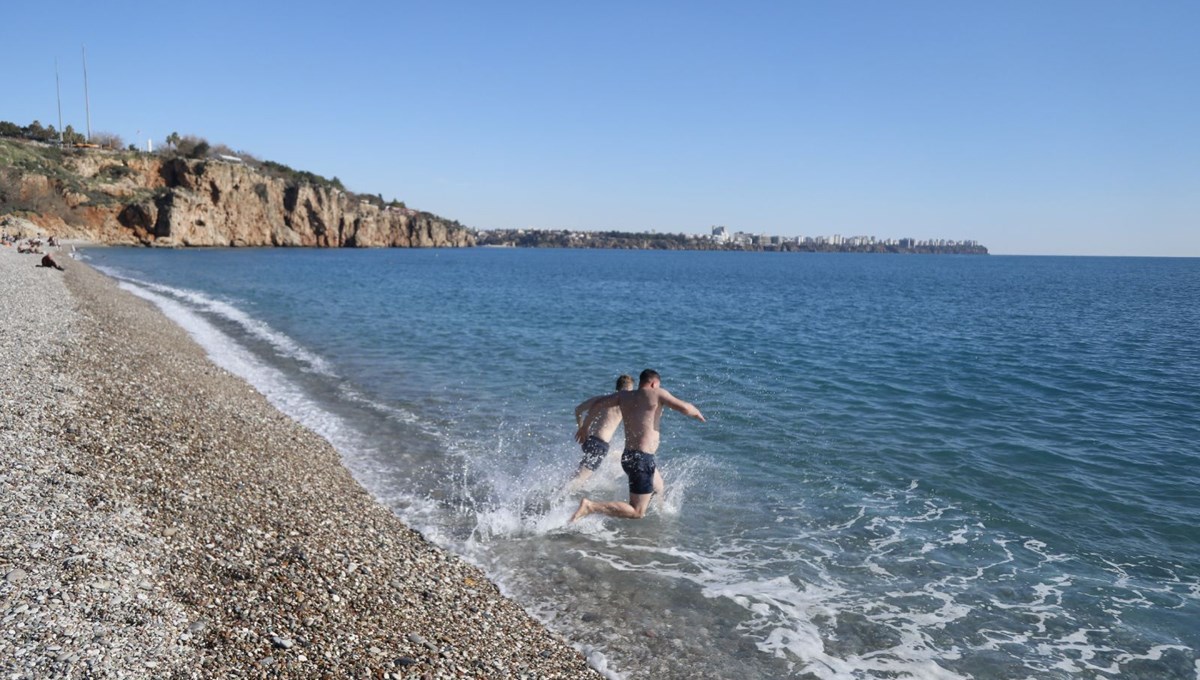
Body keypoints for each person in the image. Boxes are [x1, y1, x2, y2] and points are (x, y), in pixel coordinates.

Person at [571, 369, 705, 521]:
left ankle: (661, 515)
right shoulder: (656, 393)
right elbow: (686, 408)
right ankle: (590, 507)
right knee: (637, 512)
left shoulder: (624, 396)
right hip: (641, 459)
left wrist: (584, 427)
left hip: (629, 456)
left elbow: (597, 405)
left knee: (659, 486)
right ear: (654, 383)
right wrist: (698, 413)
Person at [565, 374, 636, 492]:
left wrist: (582, 429)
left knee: (618, 456)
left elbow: (578, 410)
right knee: (579, 480)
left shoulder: (600, 399)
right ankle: (553, 499)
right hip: (599, 445)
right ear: (626, 390)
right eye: (630, 391)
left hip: (590, 441)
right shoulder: (622, 404)